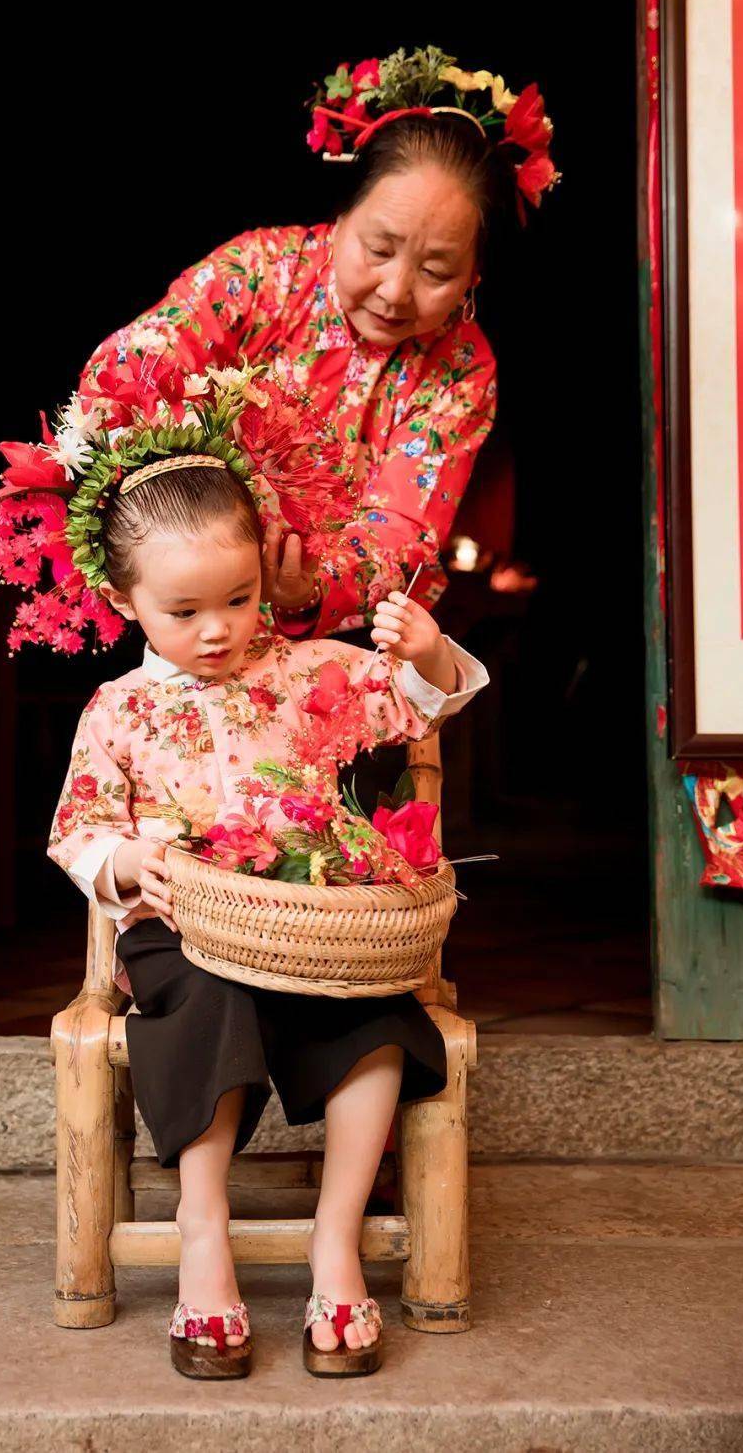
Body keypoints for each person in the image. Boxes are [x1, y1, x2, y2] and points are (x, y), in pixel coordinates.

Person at [41, 453, 488, 1378]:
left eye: (239, 600)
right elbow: (78, 829)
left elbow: (418, 703)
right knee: (203, 1003)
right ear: (127, 601)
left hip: (312, 923)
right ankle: (203, 1230)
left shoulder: (313, 670)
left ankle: (337, 1238)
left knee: (376, 1021)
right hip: (182, 933)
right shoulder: (117, 710)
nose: (217, 631)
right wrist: (125, 862)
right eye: (183, 612)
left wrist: (427, 649)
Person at [74, 51, 558, 638]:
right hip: (189, 615)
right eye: (379, 250)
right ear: (340, 216)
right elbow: (131, 364)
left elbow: (402, 529)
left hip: (345, 642)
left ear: (474, 276)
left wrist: (314, 583)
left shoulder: (462, 367)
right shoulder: (259, 273)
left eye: (436, 272)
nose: (396, 291)